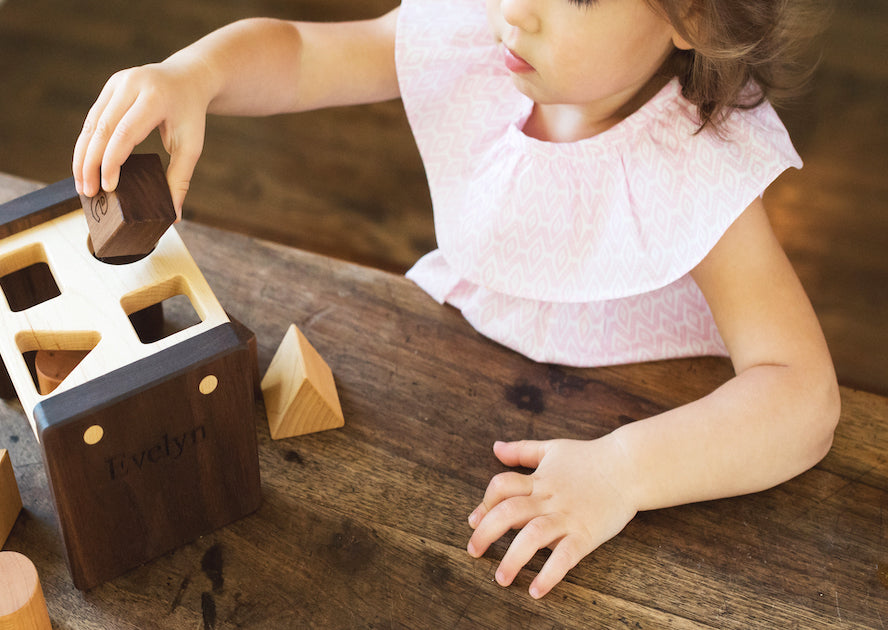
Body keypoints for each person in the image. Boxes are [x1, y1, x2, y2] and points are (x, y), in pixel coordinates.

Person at [71, 0, 839, 600]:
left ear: (691, 17)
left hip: (643, 418)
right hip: (453, 367)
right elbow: (306, 55)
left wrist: (625, 471)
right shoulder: (484, 38)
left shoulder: (699, 166)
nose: (514, 12)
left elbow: (801, 397)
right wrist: (193, 73)